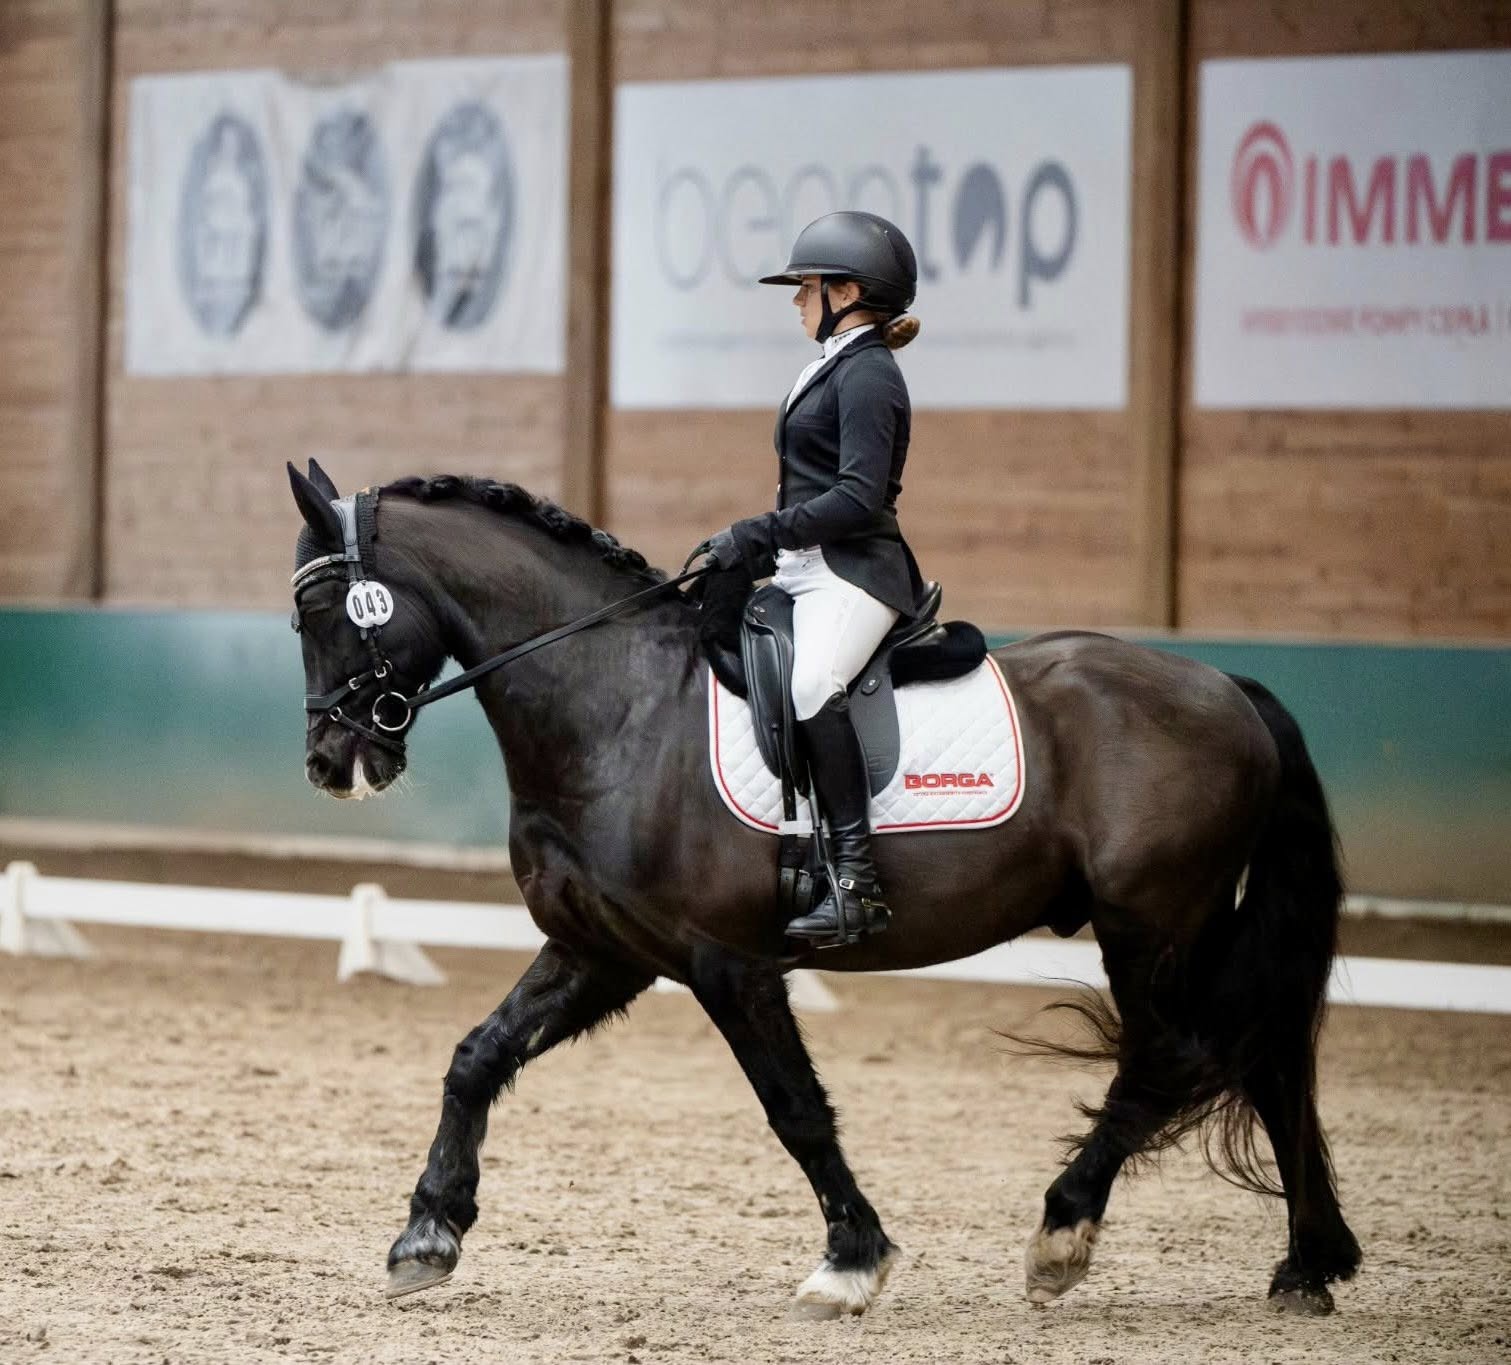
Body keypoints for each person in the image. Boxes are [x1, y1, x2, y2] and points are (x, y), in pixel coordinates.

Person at [701, 210, 926, 948]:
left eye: (806, 286)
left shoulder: (867, 375)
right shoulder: (831, 363)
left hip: (855, 575)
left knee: (811, 685)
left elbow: (858, 498)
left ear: (848, 290)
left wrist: (758, 532)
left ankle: (856, 883)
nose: (796, 299)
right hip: (805, 568)